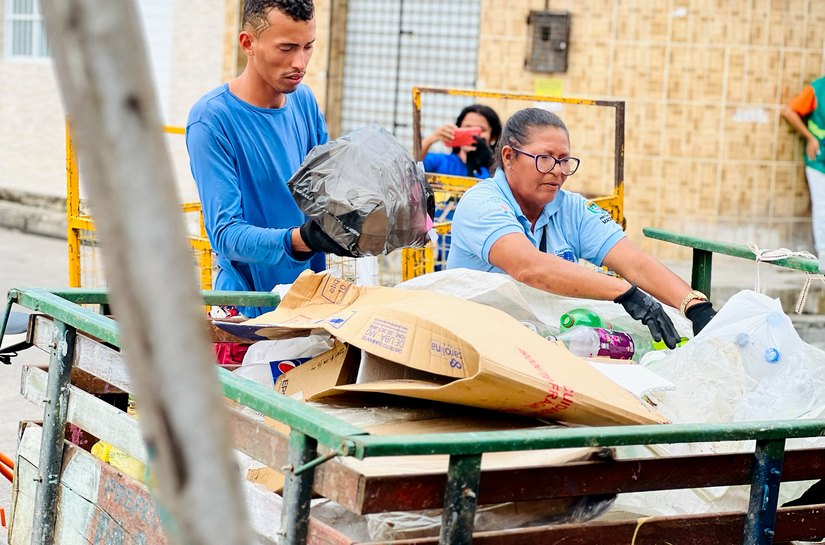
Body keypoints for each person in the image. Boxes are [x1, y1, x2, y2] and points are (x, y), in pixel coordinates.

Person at [446, 108, 717, 346]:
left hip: (539, 341)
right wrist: (623, 292)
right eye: (545, 158)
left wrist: (694, 306)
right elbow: (528, 267)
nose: (557, 170)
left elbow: (635, 264)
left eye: (564, 160)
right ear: (508, 157)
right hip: (476, 340)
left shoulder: (572, 208)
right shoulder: (481, 203)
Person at [186, 0, 348, 319]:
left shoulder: (304, 101)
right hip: (246, 310)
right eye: (286, 48)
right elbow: (226, 234)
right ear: (248, 43)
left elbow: (329, 189)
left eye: (308, 47)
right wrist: (302, 239)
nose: (300, 62)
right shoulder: (212, 120)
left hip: (309, 299)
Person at [782, 76, 825, 273]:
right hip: (818, 161)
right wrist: (810, 138)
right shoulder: (817, 89)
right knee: (822, 209)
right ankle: (823, 260)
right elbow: (789, 111)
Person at [420, 104, 502, 179]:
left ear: (493, 137)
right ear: (458, 129)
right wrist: (430, 140)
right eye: (467, 127)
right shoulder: (440, 161)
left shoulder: (498, 171)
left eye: (481, 130)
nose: (473, 134)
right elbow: (412, 166)